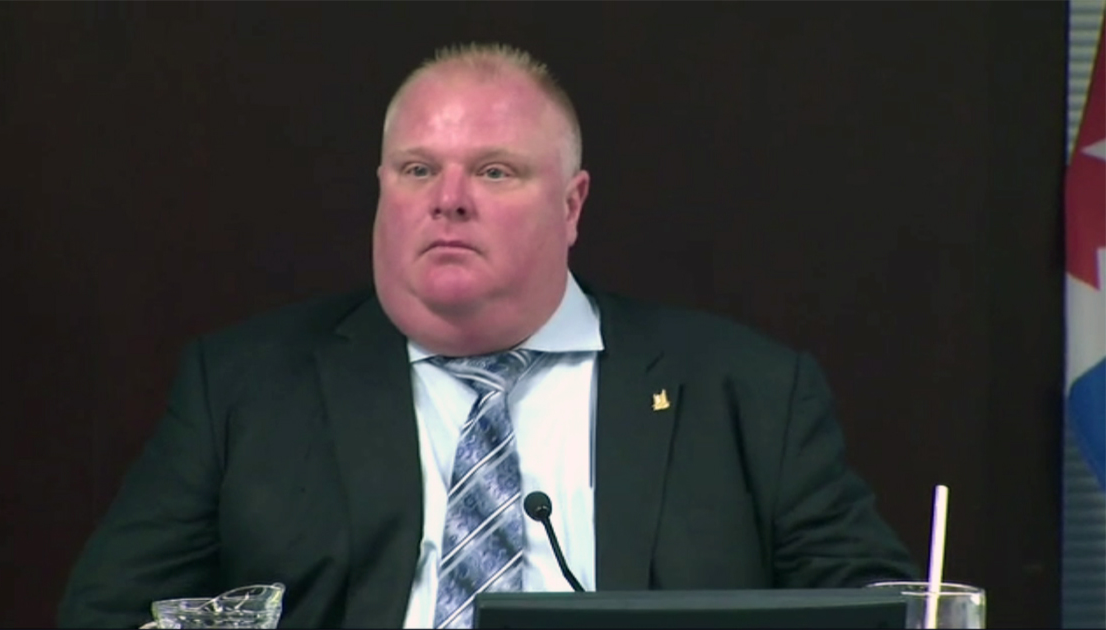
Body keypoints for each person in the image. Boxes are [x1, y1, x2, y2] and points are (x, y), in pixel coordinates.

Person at [57, 42, 918, 629]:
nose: (449, 198)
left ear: (572, 204)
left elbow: (877, 609)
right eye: (419, 169)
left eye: (495, 171)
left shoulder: (748, 392)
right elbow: (110, 615)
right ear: (385, 189)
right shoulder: (244, 386)